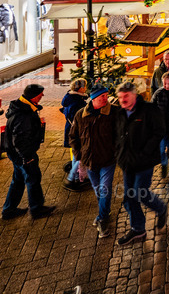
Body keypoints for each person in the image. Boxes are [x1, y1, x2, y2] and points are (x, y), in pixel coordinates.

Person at [114, 81, 168, 246]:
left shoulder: (149, 110)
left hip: (144, 162)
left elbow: (159, 131)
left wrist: (146, 151)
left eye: (126, 96)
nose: (122, 100)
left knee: (140, 193)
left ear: (134, 95)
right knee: (129, 198)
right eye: (120, 97)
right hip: (126, 162)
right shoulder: (120, 113)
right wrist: (118, 153)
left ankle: (161, 208)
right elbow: (117, 134)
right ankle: (138, 229)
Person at [68, 86, 119, 238]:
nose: (106, 98)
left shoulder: (114, 112)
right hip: (89, 161)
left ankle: (103, 219)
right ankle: (105, 211)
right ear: (93, 99)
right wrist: (79, 155)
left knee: (104, 189)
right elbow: (73, 137)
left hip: (108, 160)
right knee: (98, 190)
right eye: (102, 96)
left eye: (106, 95)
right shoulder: (80, 115)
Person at [1, 84, 56, 220]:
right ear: (34, 96)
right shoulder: (24, 115)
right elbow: (20, 139)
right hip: (23, 154)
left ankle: (9, 210)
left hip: (15, 153)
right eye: (40, 94)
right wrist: (27, 157)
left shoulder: (22, 107)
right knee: (33, 178)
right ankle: (36, 209)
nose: (42, 96)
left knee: (18, 180)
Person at [61, 78, 89, 192]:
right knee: (79, 154)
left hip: (73, 132)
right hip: (77, 133)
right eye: (85, 86)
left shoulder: (70, 98)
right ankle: (73, 178)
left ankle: (78, 176)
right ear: (81, 88)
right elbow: (76, 120)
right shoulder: (77, 102)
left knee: (77, 154)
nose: (86, 88)